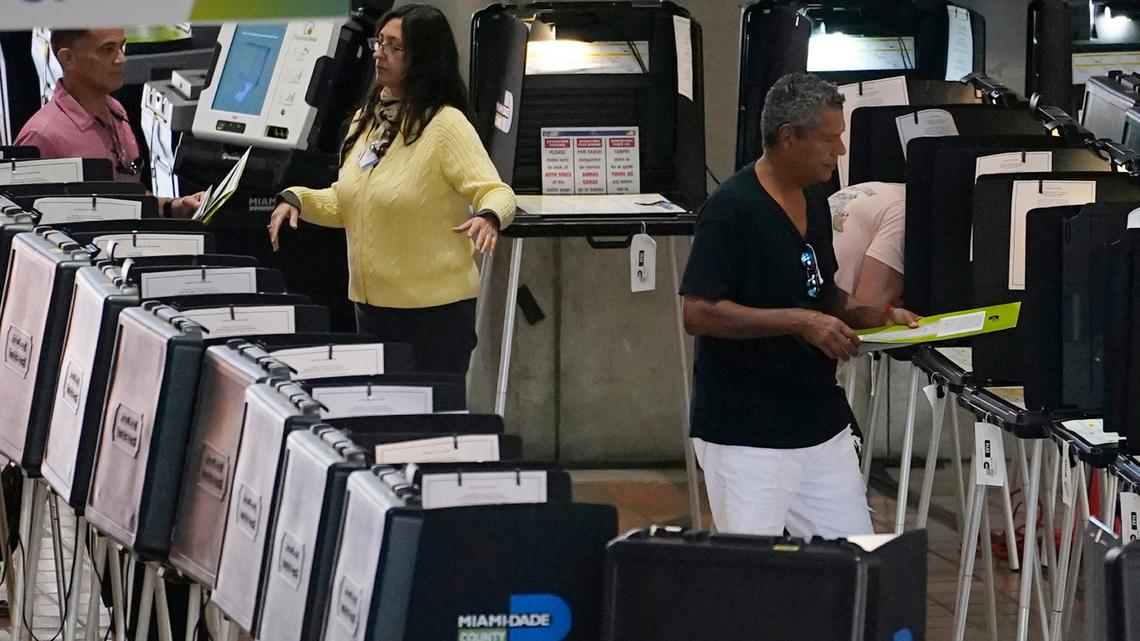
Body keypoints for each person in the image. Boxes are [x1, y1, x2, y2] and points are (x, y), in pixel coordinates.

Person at [680, 73, 920, 538]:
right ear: (789, 138)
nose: (841, 152)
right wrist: (798, 322)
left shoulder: (814, 197)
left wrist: (869, 313)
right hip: (746, 430)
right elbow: (699, 312)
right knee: (754, 576)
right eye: (830, 140)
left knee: (854, 558)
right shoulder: (732, 209)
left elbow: (818, 288)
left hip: (816, 419)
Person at [268, 4, 515, 376]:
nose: (380, 54)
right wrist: (298, 199)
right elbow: (347, 201)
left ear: (423, 58)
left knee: (431, 425)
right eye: (379, 43)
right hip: (371, 310)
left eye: (395, 47)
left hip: (434, 317)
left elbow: (496, 191)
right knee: (383, 421)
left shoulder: (446, 125)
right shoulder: (367, 119)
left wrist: (488, 216)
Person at [15, 28, 203, 217]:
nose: (121, 59)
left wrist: (174, 206)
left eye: (122, 47)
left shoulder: (115, 110)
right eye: (107, 50)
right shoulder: (42, 136)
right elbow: (21, 227)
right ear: (68, 59)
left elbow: (126, 196)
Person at [828, 181, 906, 305]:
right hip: (831, 313)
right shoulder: (903, 210)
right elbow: (873, 305)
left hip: (805, 301)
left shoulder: (884, 191)